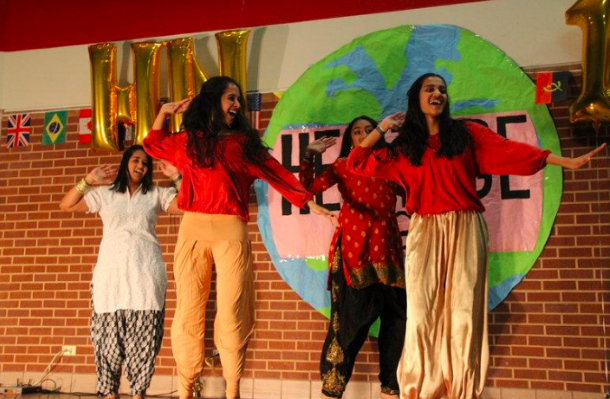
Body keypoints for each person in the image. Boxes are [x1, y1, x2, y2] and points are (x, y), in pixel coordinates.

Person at [347, 73, 606, 399]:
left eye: (442, 89)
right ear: (417, 98)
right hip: (425, 230)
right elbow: (357, 162)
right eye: (430, 89)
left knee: (463, 312)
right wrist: (381, 128)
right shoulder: (404, 148)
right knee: (422, 312)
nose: (438, 93)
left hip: (465, 227)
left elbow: (510, 150)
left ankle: (460, 390)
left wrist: (561, 160)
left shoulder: (465, 134)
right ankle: (420, 388)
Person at [143, 76, 334, 399]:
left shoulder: (243, 142)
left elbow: (277, 173)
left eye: (238, 101)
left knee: (232, 310)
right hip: (192, 229)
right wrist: (164, 112)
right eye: (231, 98)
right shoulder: (189, 140)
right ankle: (186, 388)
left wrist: (309, 202)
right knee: (189, 310)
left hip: (231, 230)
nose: (235, 106)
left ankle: (233, 389)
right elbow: (152, 145)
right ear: (214, 99)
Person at [59, 145, 182, 399]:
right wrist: (88, 181)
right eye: (136, 160)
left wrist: (177, 177)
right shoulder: (104, 194)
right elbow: (67, 205)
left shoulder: (156, 194)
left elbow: (189, 205)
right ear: (126, 162)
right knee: (108, 346)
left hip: (146, 276)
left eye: (146, 163)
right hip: (111, 276)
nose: (141, 166)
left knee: (144, 345)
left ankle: (139, 394)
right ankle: (109, 393)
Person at [300, 116, 406, 399]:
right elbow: (309, 188)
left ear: (379, 135)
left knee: (397, 322)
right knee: (348, 324)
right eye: (357, 132)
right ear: (350, 140)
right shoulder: (343, 165)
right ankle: (331, 391)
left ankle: (390, 390)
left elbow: (414, 187)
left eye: (368, 130)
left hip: (389, 251)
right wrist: (309, 155)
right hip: (354, 252)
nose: (362, 135)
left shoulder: (391, 164)